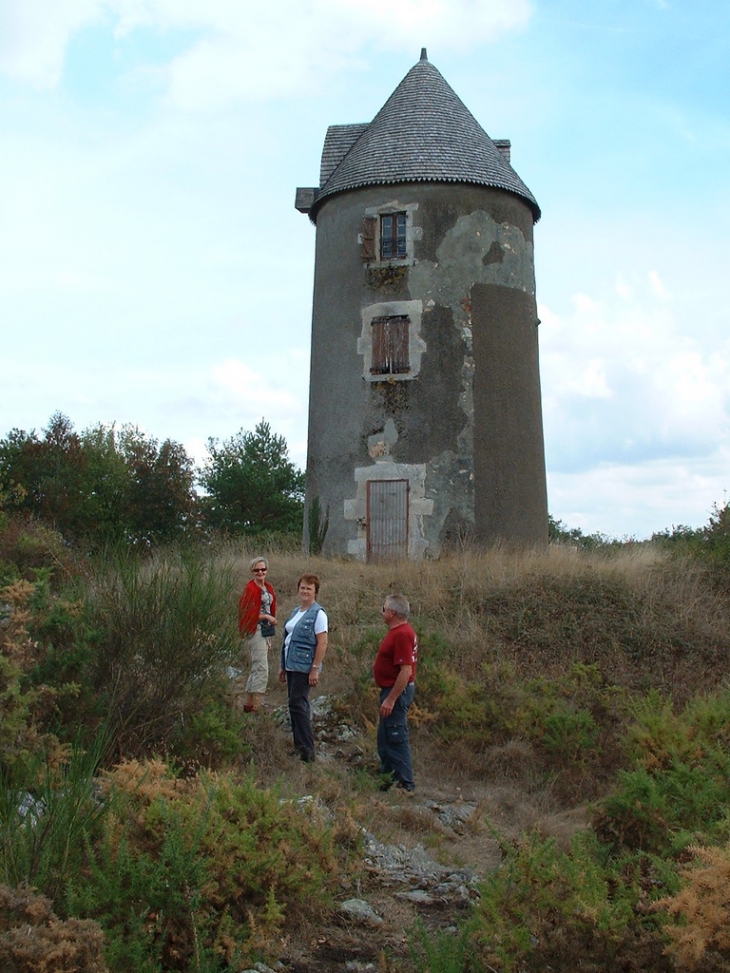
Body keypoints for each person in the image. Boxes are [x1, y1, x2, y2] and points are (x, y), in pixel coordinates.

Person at [278, 574, 328, 762]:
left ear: (315, 592)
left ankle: (307, 751)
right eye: (303, 588)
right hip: (291, 664)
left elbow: (322, 643)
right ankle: (300, 746)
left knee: (298, 704)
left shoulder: (319, 614)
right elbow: (287, 640)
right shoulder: (295, 612)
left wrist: (315, 668)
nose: (305, 591)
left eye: (309, 588)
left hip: (304, 666)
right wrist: (282, 666)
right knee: (295, 704)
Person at [374, 593, 418, 792]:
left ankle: (405, 783)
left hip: (396, 692)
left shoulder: (402, 634)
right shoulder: (398, 632)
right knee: (385, 737)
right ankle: (388, 779)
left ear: (392, 613)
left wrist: (391, 699)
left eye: (384, 608)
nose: (382, 612)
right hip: (389, 689)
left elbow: (406, 671)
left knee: (395, 735)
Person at [237, 556, 277, 714]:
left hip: (265, 630)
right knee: (261, 667)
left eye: (263, 569)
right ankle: (258, 705)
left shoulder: (267, 587)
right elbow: (246, 613)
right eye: (257, 570)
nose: (260, 572)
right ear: (252, 571)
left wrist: (269, 634)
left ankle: (248, 704)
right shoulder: (250, 589)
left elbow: (270, 608)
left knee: (257, 665)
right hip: (255, 629)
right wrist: (266, 617)